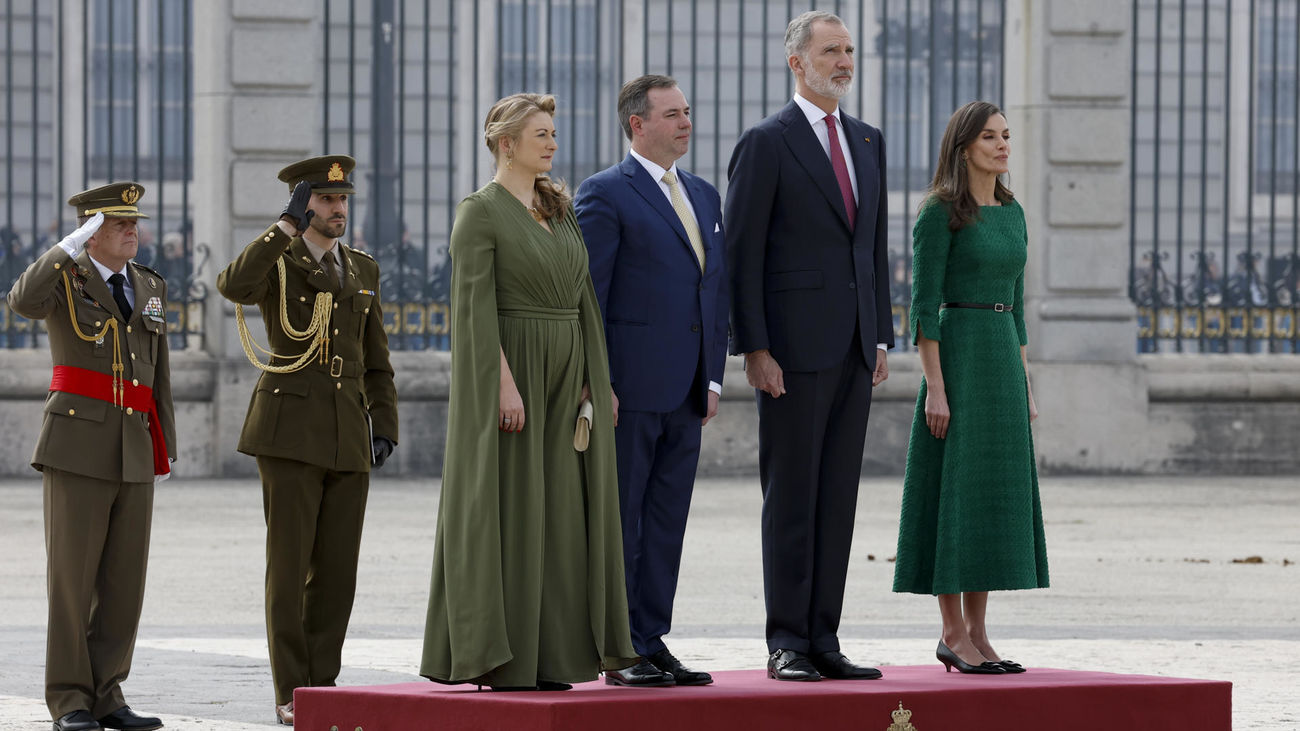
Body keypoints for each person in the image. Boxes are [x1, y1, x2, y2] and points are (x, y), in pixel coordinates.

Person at [420, 93, 638, 691]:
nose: (552, 143)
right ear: (505, 143)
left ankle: (554, 656)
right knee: (514, 510)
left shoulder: (559, 207)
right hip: (515, 373)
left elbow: (584, 296)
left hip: (568, 378)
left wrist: (596, 378)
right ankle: (505, 658)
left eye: (553, 133)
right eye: (540, 134)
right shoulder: (479, 213)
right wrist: (502, 386)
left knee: (562, 514)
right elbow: (473, 310)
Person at [724, 10, 894, 682]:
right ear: (796, 62)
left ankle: (824, 636)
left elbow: (872, 246)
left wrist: (878, 332)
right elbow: (742, 253)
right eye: (831, 51)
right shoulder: (767, 142)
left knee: (837, 499)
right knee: (792, 497)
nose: (844, 61)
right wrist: (754, 347)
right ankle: (787, 640)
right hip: (791, 352)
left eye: (848, 50)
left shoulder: (868, 140)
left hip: (854, 347)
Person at [216, 155, 399, 725]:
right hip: (289, 431)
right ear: (303, 204)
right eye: (325, 199)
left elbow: (376, 357)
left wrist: (384, 424)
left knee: (338, 573)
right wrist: (283, 227)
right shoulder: (280, 259)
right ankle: (292, 690)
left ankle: (324, 686)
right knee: (290, 568)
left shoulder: (362, 268)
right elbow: (232, 286)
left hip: (348, 433)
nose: (338, 209)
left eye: (342, 199)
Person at [574, 75, 728, 687]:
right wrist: (598, 380)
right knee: (624, 521)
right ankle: (617, 647)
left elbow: (714, 291)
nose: (686, 122)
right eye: (672, 114)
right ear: (637, 124)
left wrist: (713, 377)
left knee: (666, 523)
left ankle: (651, 638)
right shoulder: (605, 193)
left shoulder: (704, 195)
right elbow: (590, 296)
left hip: (688, 389)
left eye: (687, 111)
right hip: (629, 390)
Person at [8, 183, 175, 731]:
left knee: (125, 583)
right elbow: (21, 301)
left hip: (134, 446)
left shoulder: (150, 284)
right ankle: (69, 699)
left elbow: (159, 373)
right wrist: (66, 247)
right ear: (90, 231)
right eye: (118, 223)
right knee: (72, 582)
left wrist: (164, 446)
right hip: (77, 446)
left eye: (134, 222)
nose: (132, 230)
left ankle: (108, 694)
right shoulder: (63, 278)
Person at [891, 101, 1047, 674]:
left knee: (987, 493)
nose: (1003, 145)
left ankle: (979, 633)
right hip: (957, 358)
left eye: (1006, 136)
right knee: (952, 490)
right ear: (964, 148)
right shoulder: (938, 212)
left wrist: (1025, 384)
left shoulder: (1013, 211)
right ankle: (952, 632)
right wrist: (935, 387)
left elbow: (1019, 307)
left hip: (1002, 359)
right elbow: (923, 307)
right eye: (989, 137)